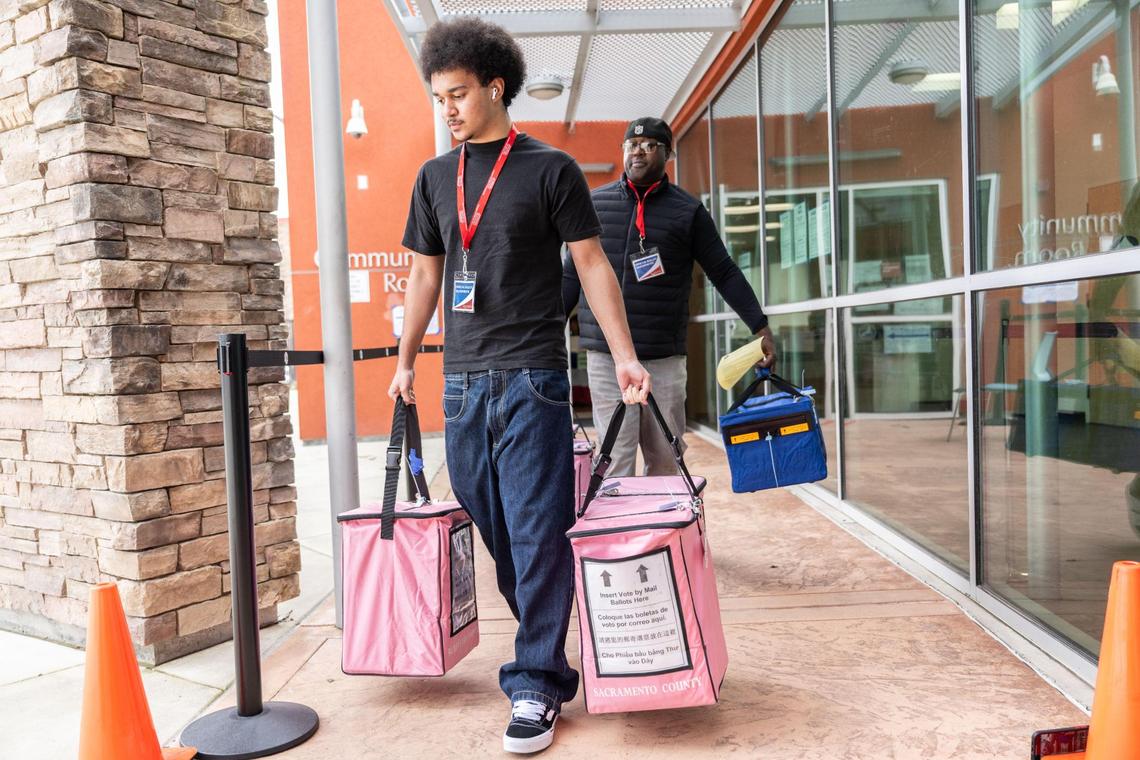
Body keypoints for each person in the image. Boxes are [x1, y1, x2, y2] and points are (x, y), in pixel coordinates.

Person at [389, 18, 651, 755]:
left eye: (459, 94)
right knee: (493, 527)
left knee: (538, 532)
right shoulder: (434, 179)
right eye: (440, 97)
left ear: (495, 86)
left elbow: (594, 266)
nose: (448, 109)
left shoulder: (550, 169)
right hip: (463, 383)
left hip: (535, 378)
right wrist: (407, 361)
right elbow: (424, 277)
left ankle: (536, 680)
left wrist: (624, 357)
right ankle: (549, 635)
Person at [563, 117, 776, 477]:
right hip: (607, 356)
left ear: (668, 154)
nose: (638, 152)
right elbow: (572, 274)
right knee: (614, 459)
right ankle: (624, 534)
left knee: (666, 457)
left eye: (649, 146)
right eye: (631, 145)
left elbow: (723, 271)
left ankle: (661, 534)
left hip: (664, 358)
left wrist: (760, 327)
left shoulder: (687, 211)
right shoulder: (594, 204)